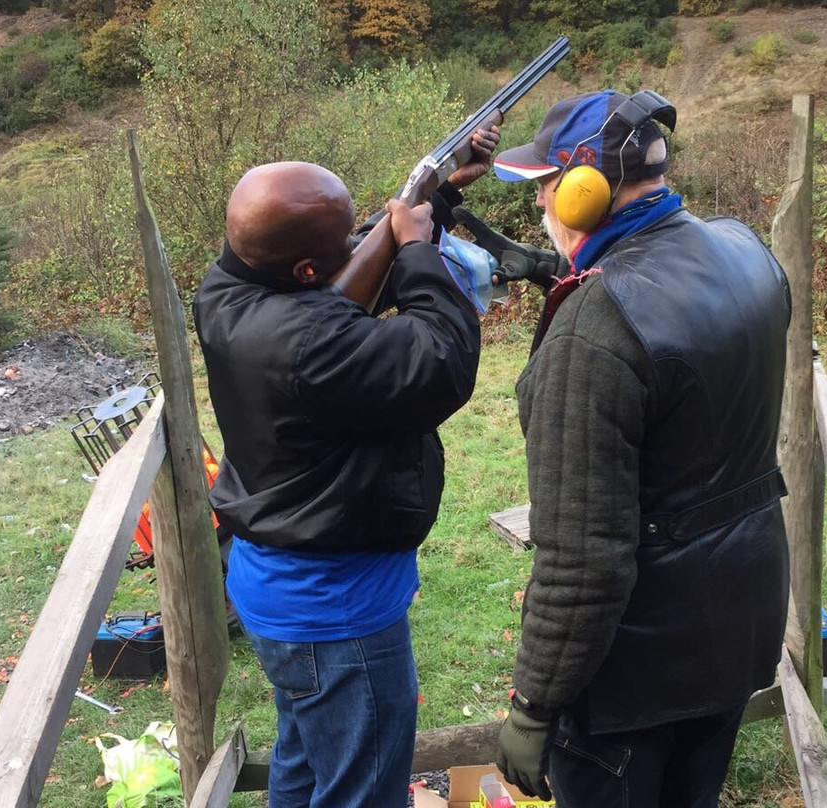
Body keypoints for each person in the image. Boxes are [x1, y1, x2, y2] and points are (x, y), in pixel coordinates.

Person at [486, 90, 792, 807]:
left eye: (545, 188)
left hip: (638, 666)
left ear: (586, 189)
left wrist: (534, 704)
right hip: (737, 621)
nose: (540, 206)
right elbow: (683, 375)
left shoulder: (594, 330)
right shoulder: (744, 248)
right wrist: (556, 271)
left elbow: (582, 560)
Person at [192, 130, 496, 808]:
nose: (359, 238)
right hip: (337, 615)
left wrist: (437, 196)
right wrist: (416, 247)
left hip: (279, 590)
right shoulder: (311, 342)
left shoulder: (224, 290)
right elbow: (440, 358)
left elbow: (341, 273)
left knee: (303, 768)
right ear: (305, 272)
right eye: (340, 241)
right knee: (362, 791)